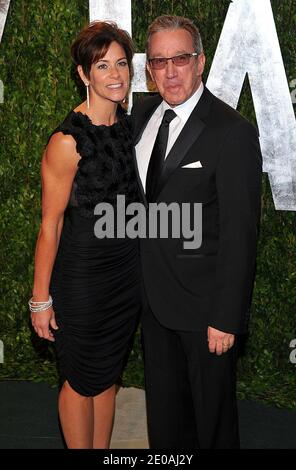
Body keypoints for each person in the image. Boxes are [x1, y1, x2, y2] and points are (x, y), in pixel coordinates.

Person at [132, 15, 262, 449]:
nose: (170, 72)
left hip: (206, 314)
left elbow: (241, 235)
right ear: (148, 69)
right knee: (166, 424)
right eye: (159, 61)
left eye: (181, 59)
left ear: (201, 61)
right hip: (153, 306)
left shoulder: (232, 132)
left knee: (213, 425)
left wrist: (226, 316)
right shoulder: (142, 115)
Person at [30, 21, 141, 449]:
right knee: (79, 379)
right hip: (82, 280)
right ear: (83, 74)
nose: (115, 75)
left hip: (126, 277)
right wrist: (41, 300)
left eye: (121, 64)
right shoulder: (67, 142)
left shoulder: (130, 127)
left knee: (109, 374)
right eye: (102, 66)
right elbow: (50, 225)